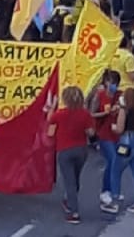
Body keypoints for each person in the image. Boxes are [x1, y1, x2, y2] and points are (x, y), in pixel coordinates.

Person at [48, 85, 97, 224]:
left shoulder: (59, 115)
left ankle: (73, 211)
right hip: (81, 150)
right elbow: (91, 133)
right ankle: (70, 199)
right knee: (75, 178)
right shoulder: (85, 114)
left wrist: (52, 109)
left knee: (69, 181)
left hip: (64, 151)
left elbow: (50, 132)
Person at [102, 88, 134, 214]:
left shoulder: (124, 110)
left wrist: (113, 127)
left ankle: (114, 201)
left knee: (115, 171)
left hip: (125, 142)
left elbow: (119, 129)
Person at [90, 70, 122, 209]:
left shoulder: (120, 96)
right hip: (104, 134)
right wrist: (105, 113)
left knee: (118, 161)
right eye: (110, 82)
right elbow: (92, 114)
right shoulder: (100, 96)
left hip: (117, 133)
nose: (112, 85)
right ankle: (105, 191)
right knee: (112, 159)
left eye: (114, 82)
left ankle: (114, 188)